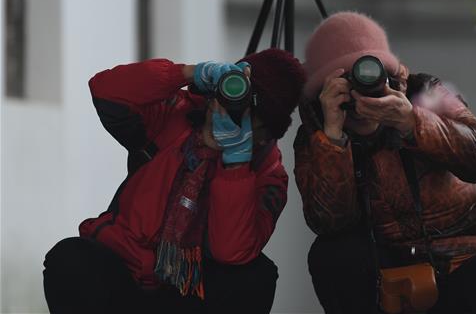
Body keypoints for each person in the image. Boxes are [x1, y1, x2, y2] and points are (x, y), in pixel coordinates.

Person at [294, 11, 476, 314]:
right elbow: (329, 223)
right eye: (346, 85)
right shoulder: (318, 133)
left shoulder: (426, 95)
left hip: (465, 252)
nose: (361, 96)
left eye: (370, 77)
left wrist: (412, 122)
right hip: (386, 263)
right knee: (331, 254)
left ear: (393, 76)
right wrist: (333, 138)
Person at [43, 48, 305, 314]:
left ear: (266, 134)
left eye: (251, 116)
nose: (233, 115)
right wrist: (188, 72)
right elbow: (105, 90)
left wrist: (235, 162)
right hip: (126, 269)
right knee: (70, 259)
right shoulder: (176, 113)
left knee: (255, 277)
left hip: (191, 291)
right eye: (232, 101)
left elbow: (230, 251)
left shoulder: (268, 174)